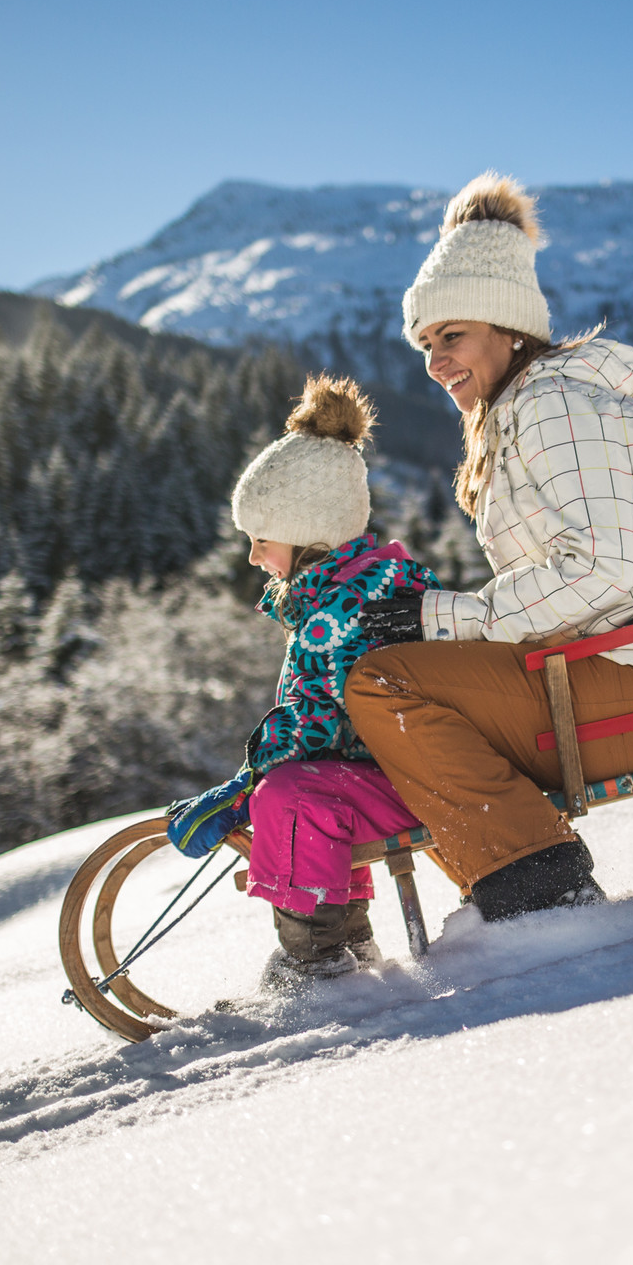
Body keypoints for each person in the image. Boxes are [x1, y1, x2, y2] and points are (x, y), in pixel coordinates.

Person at [347, 173, 633, 921]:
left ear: (508, 327)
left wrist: (443, 620)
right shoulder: (521, 412)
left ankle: (538, 889)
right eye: (426, 344)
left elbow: (599, 570)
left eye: (452, 336)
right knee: (394, 688)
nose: (436, 362)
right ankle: (517, 878)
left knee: (385, 683)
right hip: (630, 667)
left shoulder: (553, 405)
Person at [166, 375, 438, 981]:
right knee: (307, 788)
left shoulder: (343, 610)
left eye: (262, 540)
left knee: (292, 796)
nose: (254, 557)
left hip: (417, 778)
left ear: (310, 535)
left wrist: (247, 787)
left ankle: (315, 963)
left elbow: (318, 725)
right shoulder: (361, 586)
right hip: (410, 769)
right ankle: (346, 942)